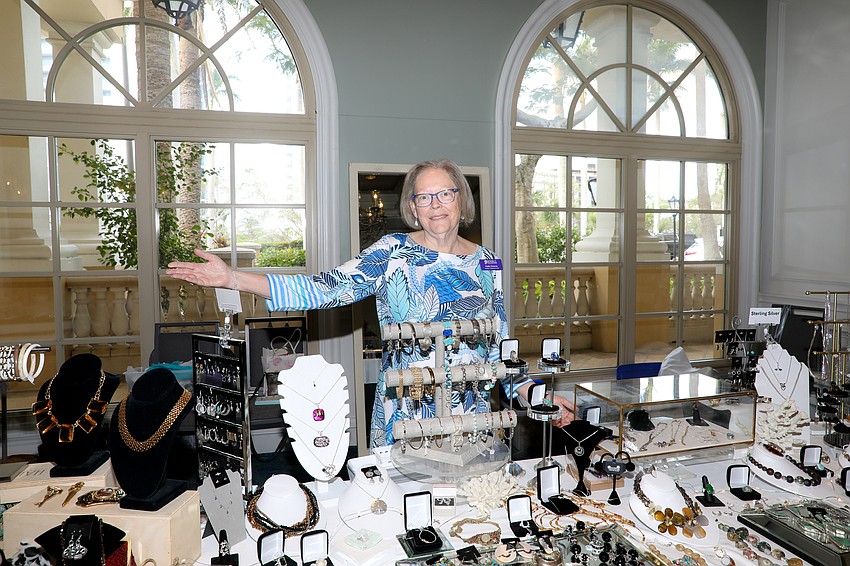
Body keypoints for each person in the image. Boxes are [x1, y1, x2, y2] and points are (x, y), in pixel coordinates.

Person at [167, 158, 574, 448]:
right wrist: (232, 278)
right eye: (423, 198)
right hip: (407, 415)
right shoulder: (391, 252)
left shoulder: (489, 261)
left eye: (444, 194)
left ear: (460, 200)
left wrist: (534, 393)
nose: (435, 206)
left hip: (474, 416)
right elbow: (323, 289)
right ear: (412, 207)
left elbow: (501, 346)